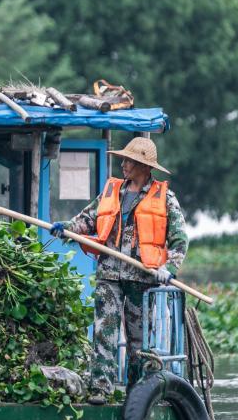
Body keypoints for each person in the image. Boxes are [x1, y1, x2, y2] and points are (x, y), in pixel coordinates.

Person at [50, 136, 188, 404]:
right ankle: (101, 388)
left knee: (140, 341)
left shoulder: (165, 198)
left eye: (129, 161)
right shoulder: (112, 192)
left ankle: (137, 393)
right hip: (109, 274)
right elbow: (86, 220)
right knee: (105, 330)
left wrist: (168, 267)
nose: (123, 164)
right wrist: (66, 228)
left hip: (142, 278)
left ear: (143, 166)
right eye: (124, 160)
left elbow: (180, 239)